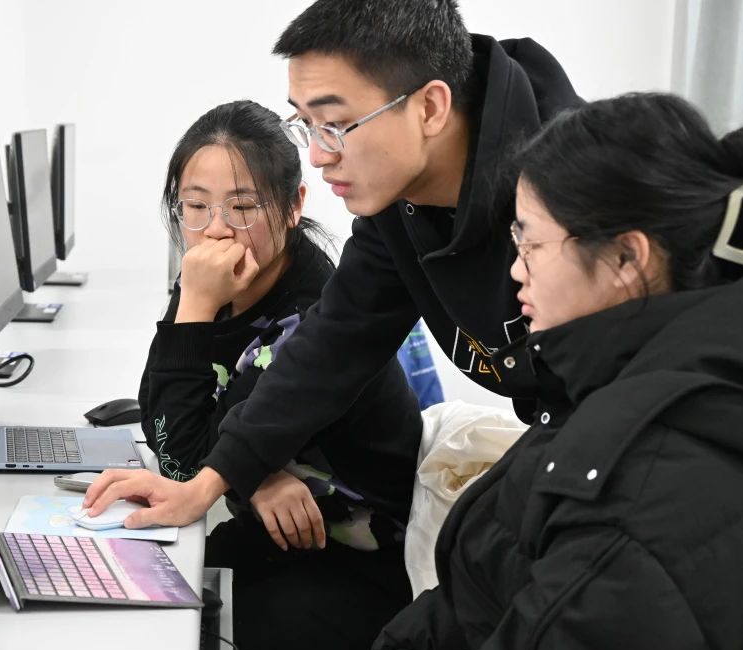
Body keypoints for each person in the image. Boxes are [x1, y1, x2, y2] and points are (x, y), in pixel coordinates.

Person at [232, 92, 743, 650]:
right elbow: (486, 601)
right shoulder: (610, 388)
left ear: (626, 260)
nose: (514, 272)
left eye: (531, 244)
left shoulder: (675, 453)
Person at [84, 0, 582, 539]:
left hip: (614, 466)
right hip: (564, 456)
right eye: (308, 125)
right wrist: (209, 483)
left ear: (430, 108)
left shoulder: (577, 194)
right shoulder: (399, 204)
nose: (319, 155)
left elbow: (613, 390)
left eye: (337, 125)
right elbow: (334, 343)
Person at [138, 101, 422, 650]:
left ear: (293, 206)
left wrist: (194, 307)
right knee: (169, 583)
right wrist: (255, 474)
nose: (216, 230)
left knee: (233, 639)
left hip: (362, 563)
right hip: (285, 538)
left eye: (242, 207)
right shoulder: (219, 275)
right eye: (194, 206)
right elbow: (165, 415)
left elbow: (182, 460)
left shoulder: (309, 315)